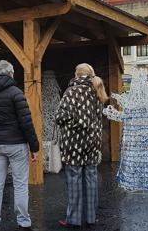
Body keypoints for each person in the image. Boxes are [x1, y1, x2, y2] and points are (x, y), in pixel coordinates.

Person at [0, 60, 39, 231]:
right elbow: (26, 123)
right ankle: (23, 222)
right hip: (16, 145)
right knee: (20, 184)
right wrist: (34, 148)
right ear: (10, 74)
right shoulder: (16, 93)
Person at [55, 63, 108, 228]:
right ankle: (91, 217)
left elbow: (59, 116)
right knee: (91, 179)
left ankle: (74, 219)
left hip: (74, 144)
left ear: (77, 74)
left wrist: (74, 123)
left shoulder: (72, 91)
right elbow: (98, 117)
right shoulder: (97, 91)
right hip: (92, 143)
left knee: (74, 180)